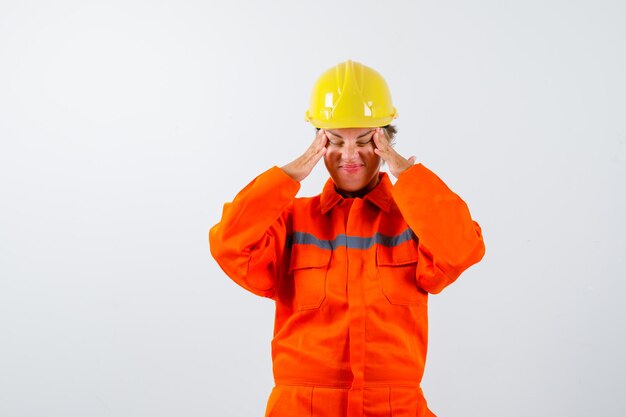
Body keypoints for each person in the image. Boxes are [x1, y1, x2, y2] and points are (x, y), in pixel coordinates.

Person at [209, 60, 485, 417]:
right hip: (301, 407)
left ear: (386, 141)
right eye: (336, 140)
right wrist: (287, 175)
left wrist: (409, 175)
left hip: (395, 406)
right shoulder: (292, 218)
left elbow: (462, 249)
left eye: (367, 140)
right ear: (319, 142)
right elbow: (228, 245)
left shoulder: (412, 219)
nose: (350, 155)